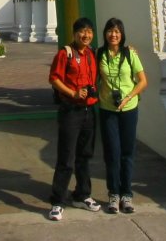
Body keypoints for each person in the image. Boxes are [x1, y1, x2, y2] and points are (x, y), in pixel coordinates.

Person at [46, 17, 102, 221]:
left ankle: (82, 194)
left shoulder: (92, 53)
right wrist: (72, 93)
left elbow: (116, 52)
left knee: (85, 155)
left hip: (89, 111)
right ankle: (58, 200)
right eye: (81, 31)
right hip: (70, 111)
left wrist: (129, 49)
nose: (85, 35)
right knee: (66, 157)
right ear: (74, 33)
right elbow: (53, 78)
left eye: (89, 31)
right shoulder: (65, 53)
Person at [95, 17, 147, 214]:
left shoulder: (130, 54)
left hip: (129, 108)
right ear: (105, 33)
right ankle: (113, 194)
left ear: (122, 34)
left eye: (117, 31)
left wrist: (129, 96)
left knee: (127, 153)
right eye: (110, 30)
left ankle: (127, 194)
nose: (113, 34)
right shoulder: (99, 54)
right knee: (112, 153)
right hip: (108, 109)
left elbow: (143, 81)